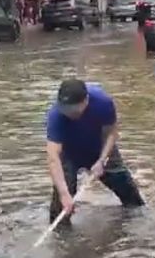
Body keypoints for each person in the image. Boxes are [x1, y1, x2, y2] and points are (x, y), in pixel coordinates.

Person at [45, 79, 145, 225]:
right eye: (65, 109)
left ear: (86, 101)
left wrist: (102, 160)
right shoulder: (55, 115)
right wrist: (64, 194)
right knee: (61, 209)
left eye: (73, 110)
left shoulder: (103, 103)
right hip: (68, 155)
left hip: (99, 148)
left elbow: (111, 133)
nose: (69, 114)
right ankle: (62, 240)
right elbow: (53, 157)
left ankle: (136, 228)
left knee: (132, 200)